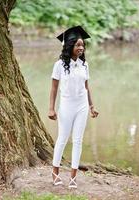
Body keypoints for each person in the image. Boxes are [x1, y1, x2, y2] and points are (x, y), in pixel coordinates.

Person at [48, 25, 99, 189]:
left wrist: (91, 106)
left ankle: (73, 177)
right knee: (62, 139)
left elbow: (86, 87)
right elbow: (54, 88)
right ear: (69, 46)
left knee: (78, 141)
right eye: (78, 45)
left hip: (82, 106)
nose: (81, 48)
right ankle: (55, 174)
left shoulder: (85, 65)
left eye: (83, 45)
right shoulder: (59, 65)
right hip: (66, 106)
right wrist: (51, 108)